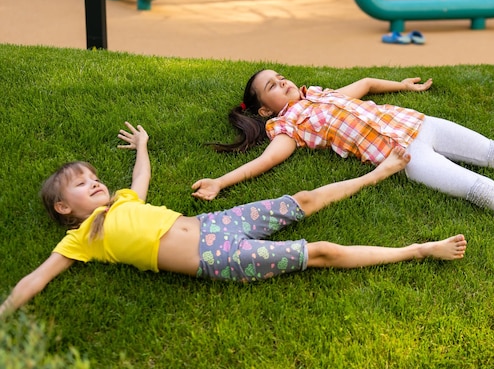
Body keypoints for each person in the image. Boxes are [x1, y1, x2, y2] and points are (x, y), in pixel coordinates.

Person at [0, 122, 467, 318]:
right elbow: (33, 281)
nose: (94, 184)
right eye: (81, 186)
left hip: (217, 224)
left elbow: (140, 176)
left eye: (93, 177)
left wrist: (142, 145)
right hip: (218, 256)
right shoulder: (83, 239)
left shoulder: (123, 202)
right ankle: (419, 249)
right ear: (64, 208)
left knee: (302, 199)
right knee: (318, 253)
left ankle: (380, 172)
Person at [192, 70, 494, 259]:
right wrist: (221, 182)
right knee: (485, 191)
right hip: (407, 158)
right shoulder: (290, 126)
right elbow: (267, 162)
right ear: (265, 110)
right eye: (271, 86)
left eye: (280, 75)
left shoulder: (317, 95)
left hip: (421, 124)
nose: (282, 82)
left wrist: (402, 85)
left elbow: (362, 85)